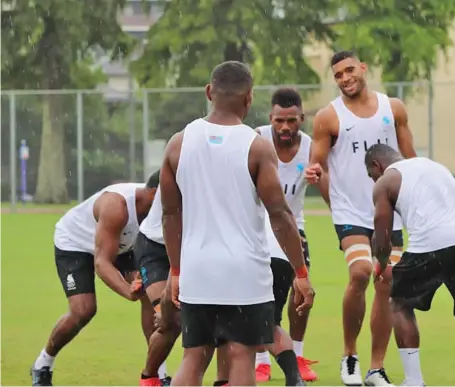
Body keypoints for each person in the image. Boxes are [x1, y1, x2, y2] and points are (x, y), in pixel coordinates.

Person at [159, 60, 315, 387]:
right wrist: (301, 273)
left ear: (208, 92)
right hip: (244, 271)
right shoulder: (256, 147)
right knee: (242, 353)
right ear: (249, 98)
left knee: (194, 356)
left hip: (197, 269)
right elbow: (281, 215)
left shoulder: (177, 143)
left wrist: (175, 271)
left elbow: (170, 214)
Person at [304, 50, 417, 386]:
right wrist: (330, 198)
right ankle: (350, 356)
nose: (345, 78)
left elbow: (411, 159)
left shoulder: (393, 109)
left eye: (349, 70)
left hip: (390, 213)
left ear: (364, 68)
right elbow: (317, 165)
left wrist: (415, 202)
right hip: (351, 212)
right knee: (361, 272)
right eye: (338, 74)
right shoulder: (328, 117)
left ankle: (375, 368)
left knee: (387, 282)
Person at [365, 143, 455, 387]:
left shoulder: (386, 181)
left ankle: (414, 380)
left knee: (398, 303)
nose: (374, 181)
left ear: (377, 166)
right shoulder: (432, 165)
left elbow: (382, 234)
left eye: (372, 176)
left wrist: (380, 264)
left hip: (431, 241)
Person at [31, 172, 161, 386]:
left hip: (122, 244)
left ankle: (157, 374)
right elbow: (102, 263)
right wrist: (128, 291)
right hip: (76, 243)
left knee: (150, 292)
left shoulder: (158, 207)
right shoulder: (116, 206)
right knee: (83, 309)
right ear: (155, 194)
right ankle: (43, 364)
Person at [253, 87, 318, 383]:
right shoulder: (257, 138)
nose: (285, 127)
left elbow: (328, 177)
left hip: (294, 226)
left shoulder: (311, 148)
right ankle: (261, 360)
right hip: (257, 225)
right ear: (270, 118)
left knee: (301, 293)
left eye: (291, 120)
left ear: (301, 118)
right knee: (258, 291)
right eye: (279, 120)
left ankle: (299, 354)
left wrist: (319, 176)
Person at [135, 186, 180, 386]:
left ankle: (224, 381)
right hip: (155, 247)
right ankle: (151, 377)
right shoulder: (181, 161)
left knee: (216, 321)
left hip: (190, 245)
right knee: (169, 319)